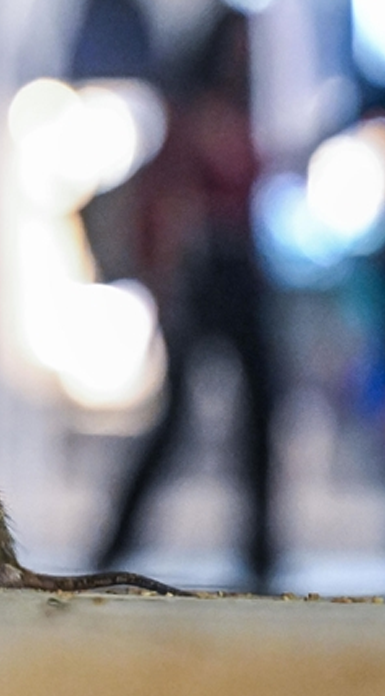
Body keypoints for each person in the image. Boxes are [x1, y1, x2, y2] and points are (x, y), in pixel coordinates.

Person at [95, 10, 278, 591]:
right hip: (198, 278)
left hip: (241, 275)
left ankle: (262, 549)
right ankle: (115, 539)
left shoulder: (244, 112)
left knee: (261, 412)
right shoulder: (189, 117)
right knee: (176, 420)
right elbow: (169, 202)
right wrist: (167, 285)